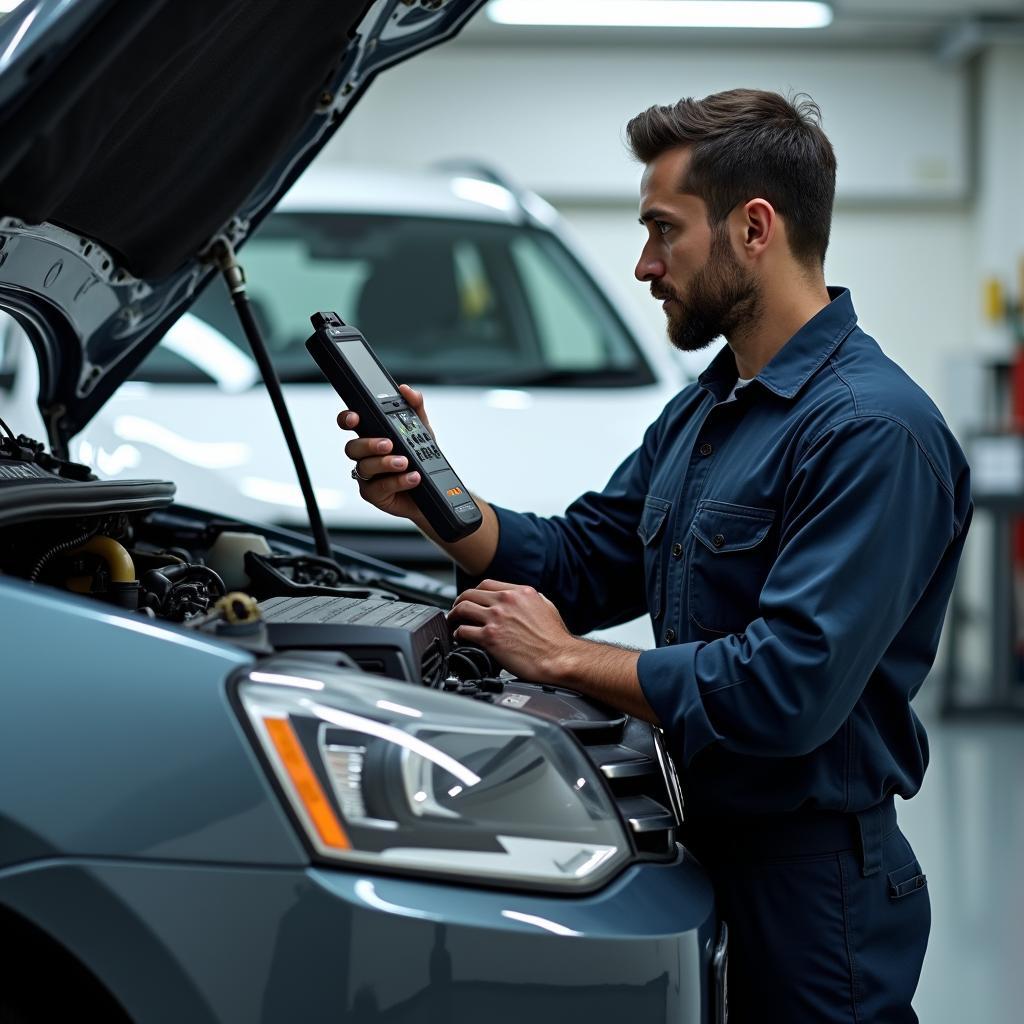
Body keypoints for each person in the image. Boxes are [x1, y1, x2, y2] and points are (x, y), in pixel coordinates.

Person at [337, 89, 972, 1023]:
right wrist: (436, 501)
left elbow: (787, 688)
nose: (644, 264)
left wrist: (564, 659)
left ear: (754, 228)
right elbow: (586, 557)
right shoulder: (709, 408)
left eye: (662, 230)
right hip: (699, 837)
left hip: (809, 883)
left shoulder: (873, 432)